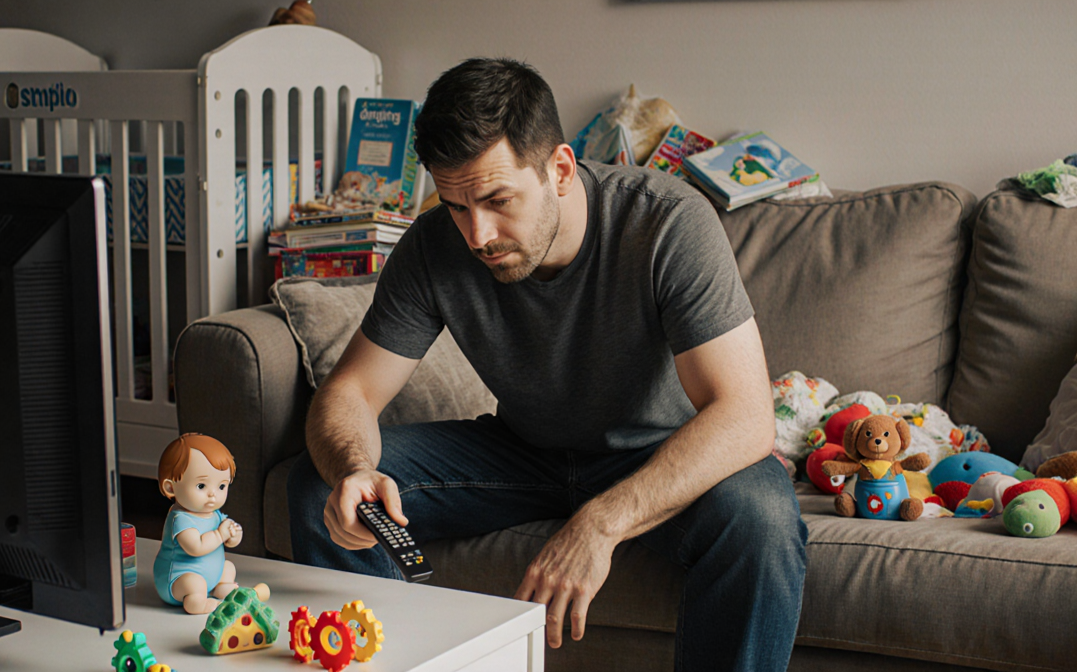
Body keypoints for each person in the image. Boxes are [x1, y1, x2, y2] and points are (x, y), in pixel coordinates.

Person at [287, 58, 807, 671]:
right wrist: (353, 467)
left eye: (497, 199)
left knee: (763, 519)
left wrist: (602, 523)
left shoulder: (667, 222)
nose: (478, 234)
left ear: (559, 169)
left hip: (656, 453)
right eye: (455, 205)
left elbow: (746, 417)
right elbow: (349, 392)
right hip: (523, 453)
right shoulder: (434, 245)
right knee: (324, 486)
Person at [154, 433, 244, 614]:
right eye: (201, 486)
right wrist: (220, 535)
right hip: (176, 581)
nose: (213, 494)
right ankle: (196, 603)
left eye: (221, 486)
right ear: (171, 488)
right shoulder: (180, 519)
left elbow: (229, 540)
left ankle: (220, 587)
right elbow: (195, 547)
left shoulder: (215, 514)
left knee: (228, 567)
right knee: (195, 583)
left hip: (209, 578)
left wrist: (233, 535)